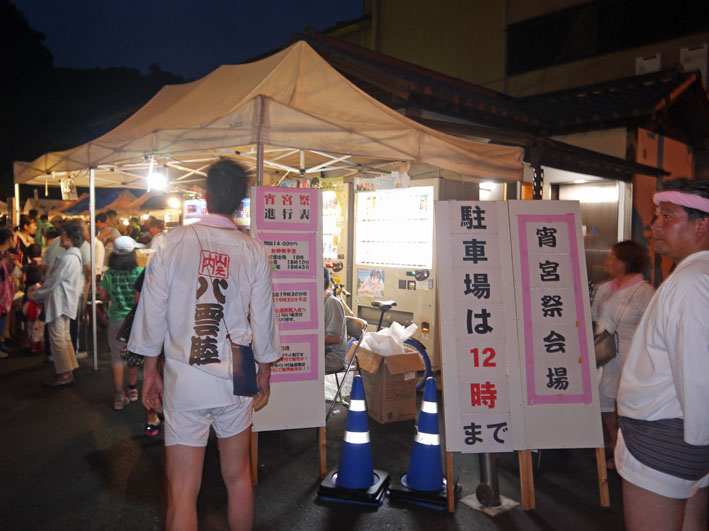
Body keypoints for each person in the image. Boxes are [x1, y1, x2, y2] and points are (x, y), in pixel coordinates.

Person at [128, 159, 281, 530]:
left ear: (205, 195)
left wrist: (150, 372)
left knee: (182, 489)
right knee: (239, 476)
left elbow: (152, 312)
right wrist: (265, 370)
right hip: (237, 379)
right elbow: (264, 318)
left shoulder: (169, 243)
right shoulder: (255, 250)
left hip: (185, 379)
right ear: (241, 202)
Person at [615, 178, 709, 531]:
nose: (654, 226)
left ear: (702, 224)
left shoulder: (691, 282)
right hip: (685, 435)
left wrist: (700, 440)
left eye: (667, 216)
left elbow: (699, 375)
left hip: (669, 435)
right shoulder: (697, 274)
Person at [591, 241, 654, 469]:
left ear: (627, 262)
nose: (608, 261)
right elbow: (594, 316)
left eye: (613, 258)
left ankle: (627, 450)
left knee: (624, 403)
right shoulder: (605, 288)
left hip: (628, 356)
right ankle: (612, 444)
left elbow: (651, 328)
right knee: (604, 401)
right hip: (603, 354)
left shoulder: (644, 291)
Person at [29, 220, 85, 387]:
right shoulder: (74, 256)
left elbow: (52, 281)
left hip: (59, 302)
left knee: (58, 339)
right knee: (64, 337)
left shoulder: (68, 258)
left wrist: (36, 294)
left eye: (64, 235)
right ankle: (69, 368)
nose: (61, 238)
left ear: (71, 238)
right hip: (66, 301)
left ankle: (64, 373)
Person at [99, 236, 144, 410]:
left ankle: (118, 396)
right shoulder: (139, 271)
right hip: (135, 320)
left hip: (116, 320)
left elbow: (103, 296)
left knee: (117, 359)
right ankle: (132, 390)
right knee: (133, 355)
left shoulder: (109, 274)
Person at [323, 267, 347, 372]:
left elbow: (335, 338)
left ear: (322, 281)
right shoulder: (320, 302)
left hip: (333, 358)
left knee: (301, 365)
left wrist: (309, 339)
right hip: (321, 352)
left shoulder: (332, 303)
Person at [0, 229, 17, 357]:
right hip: (1, 292)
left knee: (2, 317)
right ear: (10, 239)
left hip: (4, 293)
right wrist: (5, 262)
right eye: (14, 238)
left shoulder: (5, 253)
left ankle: (2, 345)